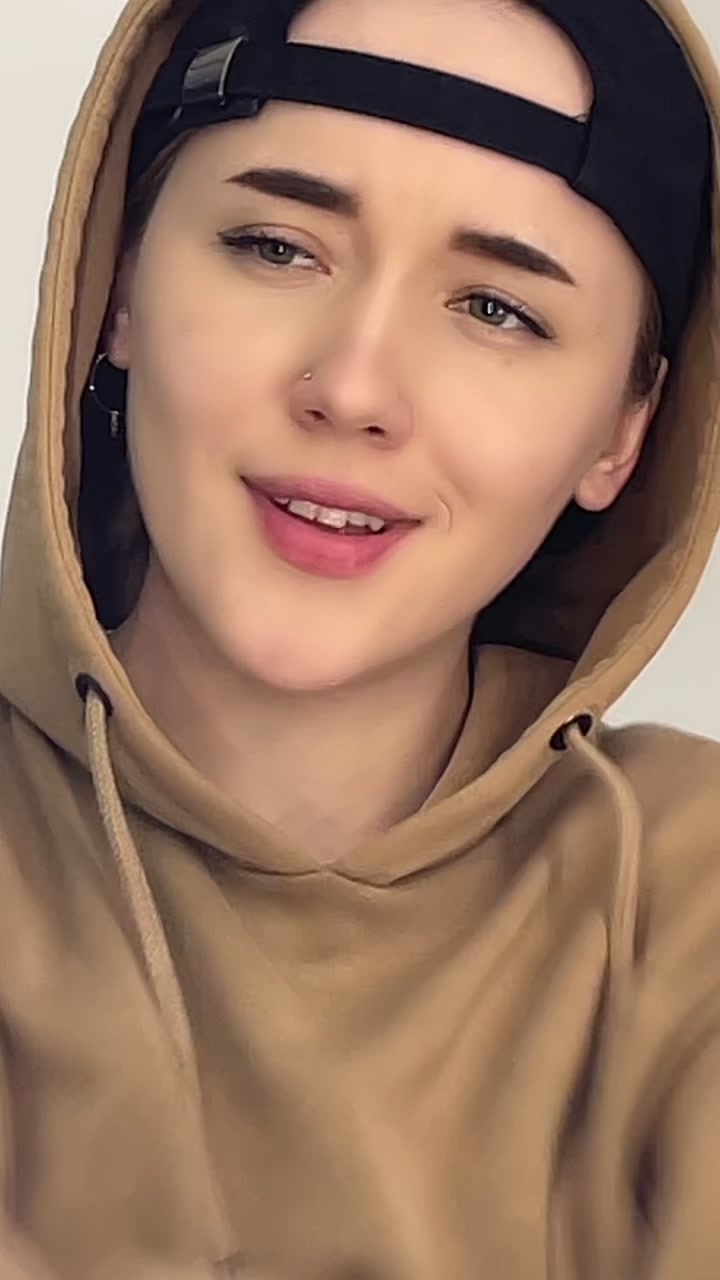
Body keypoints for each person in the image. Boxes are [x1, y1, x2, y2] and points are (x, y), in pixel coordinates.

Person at [1, 0, 719, 1274]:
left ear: (625, 430)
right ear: (118, 287)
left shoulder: (694, 905)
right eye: (277, 246)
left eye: (496, 308)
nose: (352, 387)